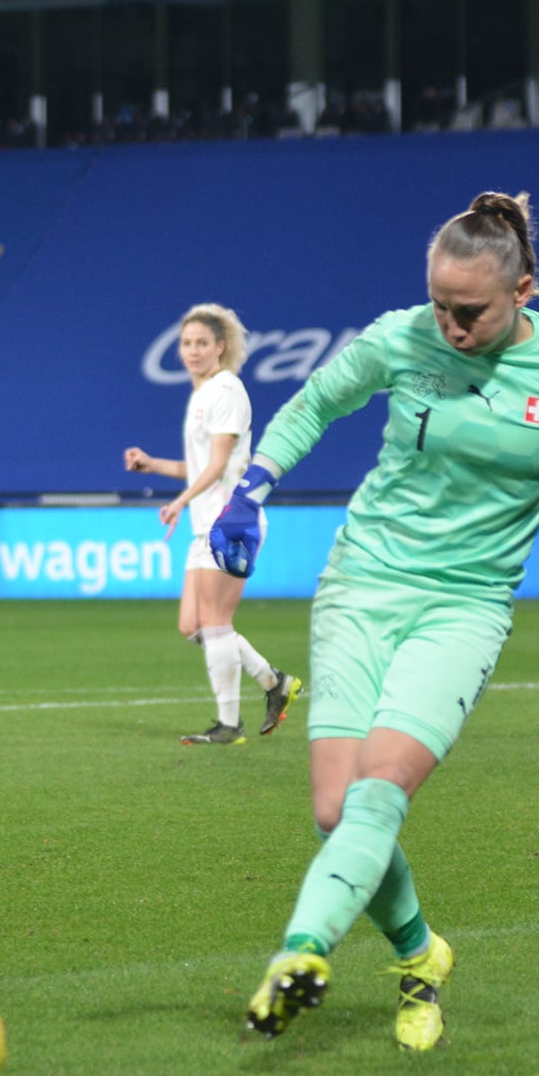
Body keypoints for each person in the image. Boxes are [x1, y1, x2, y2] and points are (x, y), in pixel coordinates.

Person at [209, 191, 539, 1051]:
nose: (451, 325)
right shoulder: (404, 337)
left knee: (379, 790)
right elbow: (316, 403)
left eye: (469, 310)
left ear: (523, 291)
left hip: (465, 607)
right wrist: (255, 487)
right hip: (363, 581)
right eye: (439, 303)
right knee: (335, 810)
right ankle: (421, 955)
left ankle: (301, 952)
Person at [122, 303, 300, 745]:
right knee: (192, 625)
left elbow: (220, 465)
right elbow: (201, 464)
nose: (193, 350)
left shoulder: (226, 390)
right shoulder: (202, 397)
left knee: (217, 622)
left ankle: (229, 725)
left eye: (202, 342)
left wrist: (180, 501)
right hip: (208, 523)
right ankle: (274, 681)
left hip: (232, 520)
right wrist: (153, 466)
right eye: (186, 343)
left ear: (221, 347)